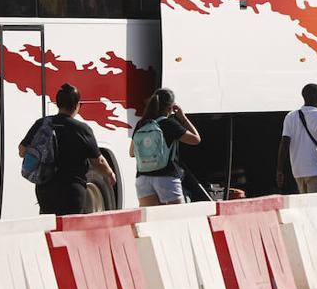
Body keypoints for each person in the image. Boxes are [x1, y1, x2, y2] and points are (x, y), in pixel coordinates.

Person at [18, 83, 116, 216]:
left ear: (58, 104)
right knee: (70, 231)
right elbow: (97, 161)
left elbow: (22, 150)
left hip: (45, 189)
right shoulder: (82, 129)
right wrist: (110, 174)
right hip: (72, 192)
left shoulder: (42, 124)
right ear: (76, 105)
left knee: (50, 229)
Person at [130, 88, 201, 206]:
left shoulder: (141, 124)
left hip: (143, 179)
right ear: (171, 108)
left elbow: (132, 152)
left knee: (151, 219)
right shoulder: (169, 124)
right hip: (166, 177)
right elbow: (196, 139)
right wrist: (183, 118)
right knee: (176, 218)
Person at [277, 83, 317, 193]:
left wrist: (279, 170)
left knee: (306, 207)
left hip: (298, 172)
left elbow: (284, 144)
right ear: (313, 97)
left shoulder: (290, 117)